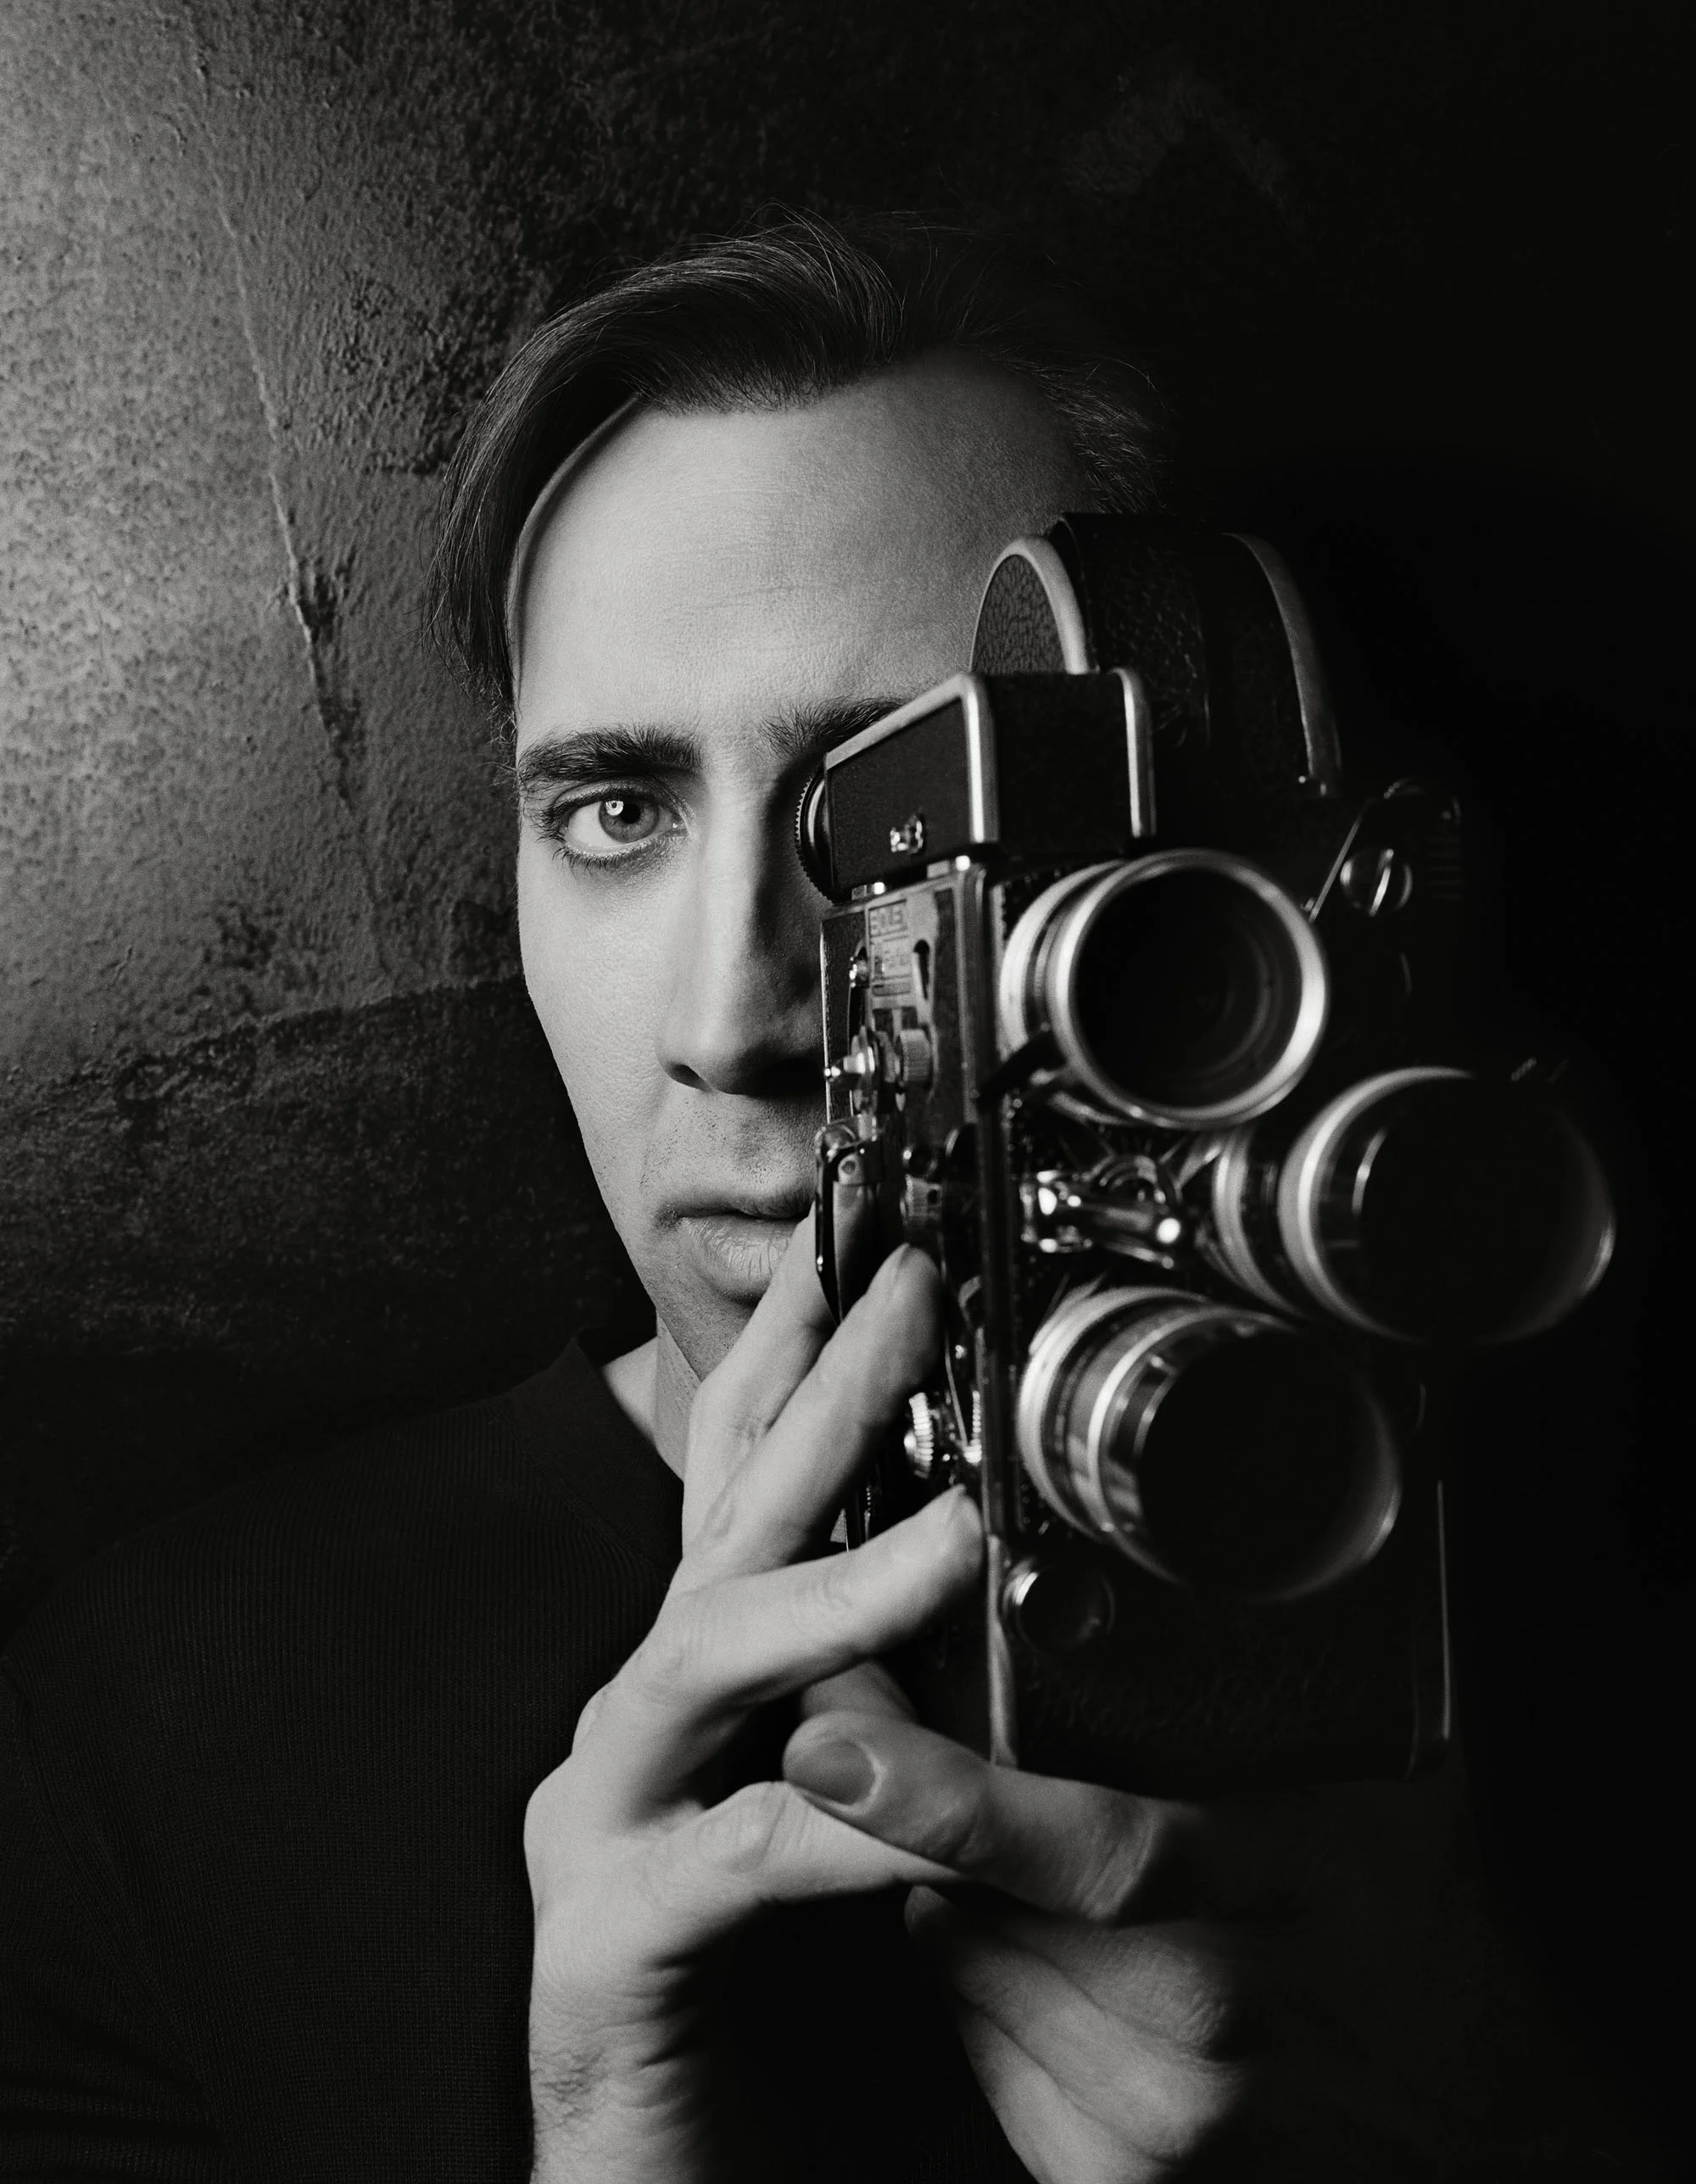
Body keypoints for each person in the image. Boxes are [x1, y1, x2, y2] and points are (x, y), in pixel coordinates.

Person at [0, 215, 1660, 2182]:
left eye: (887, 809)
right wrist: (598, 2133)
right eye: (615, 812)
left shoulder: (1589, 1612)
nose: (731, 1022)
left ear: (1209, 876)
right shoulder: (172, 1711)